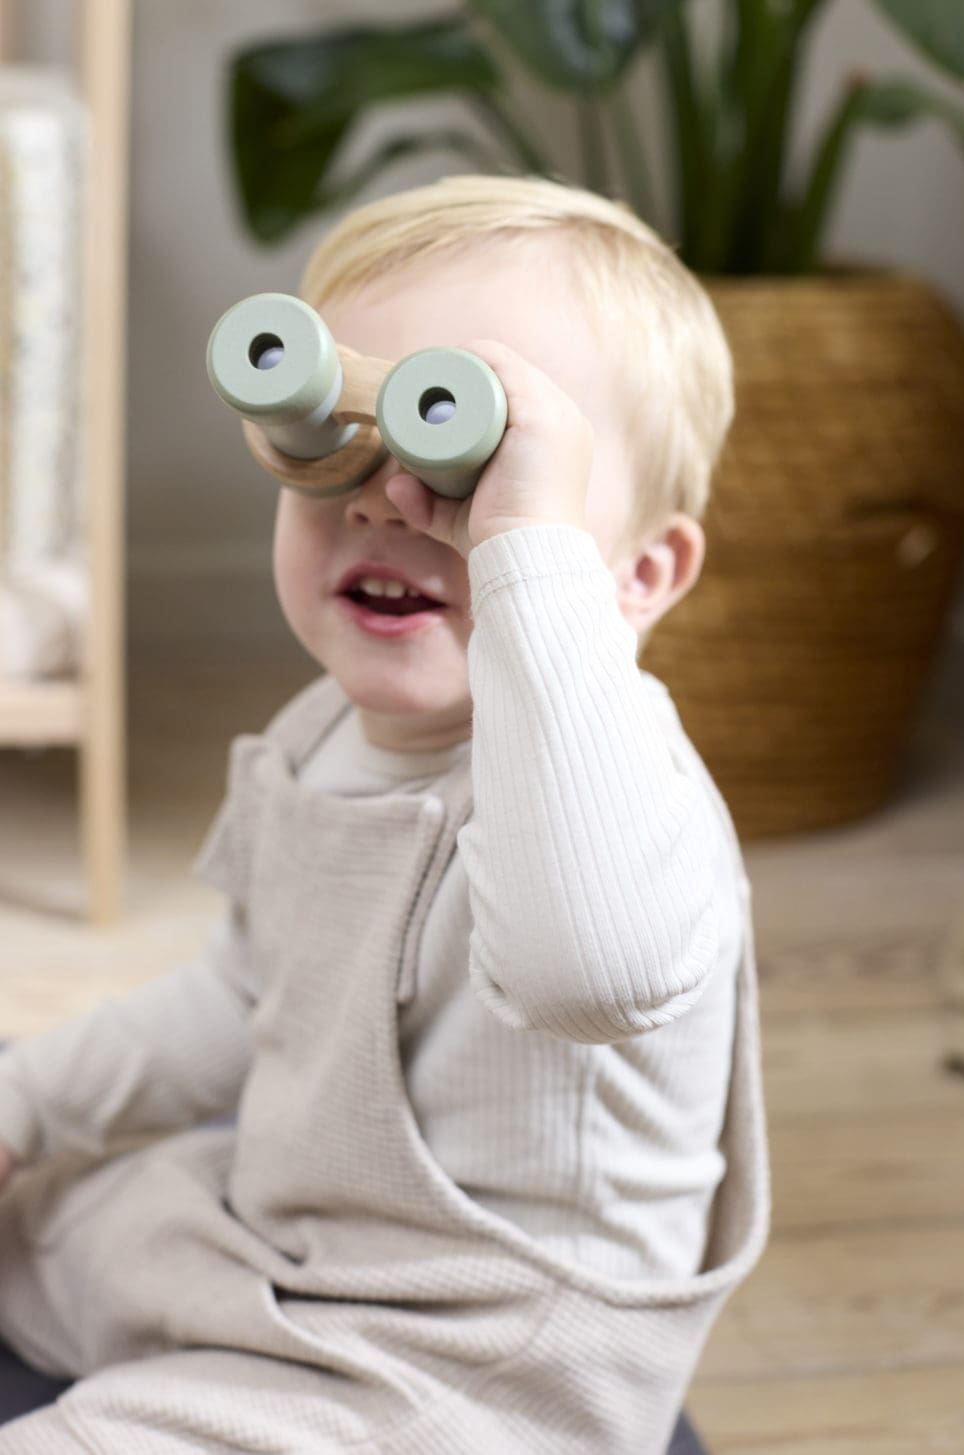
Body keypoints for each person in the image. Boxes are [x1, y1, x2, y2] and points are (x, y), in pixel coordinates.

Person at [0, 173, 769, 1453]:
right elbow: (246, 997)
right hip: (303, 1242)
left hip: (482, 1371)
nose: (380, 498)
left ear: (638, 574)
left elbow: (588, 972)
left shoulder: (625, 797)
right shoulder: (319, 738)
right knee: (53, 1213)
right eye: (334, 444)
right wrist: (20, 1100)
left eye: (468, 456)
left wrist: (523, 555)